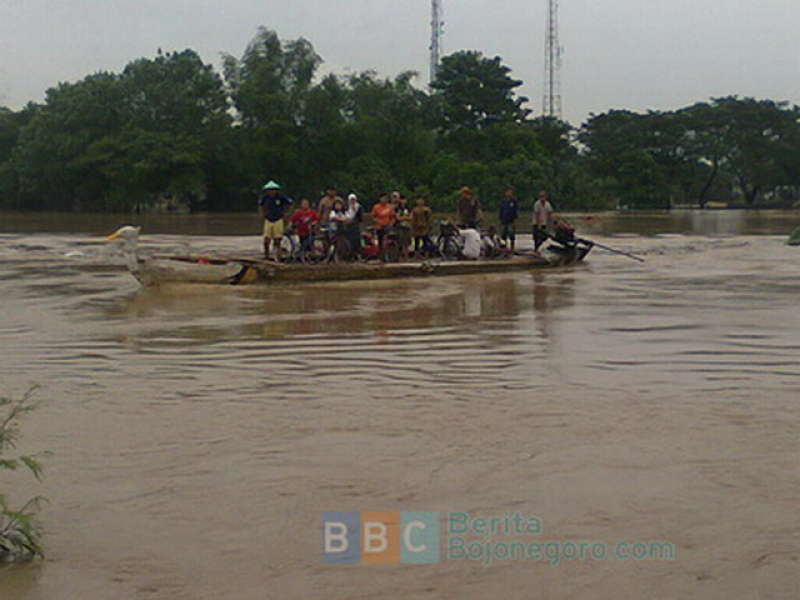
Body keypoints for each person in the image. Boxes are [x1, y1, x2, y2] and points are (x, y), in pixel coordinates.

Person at [258, 181, 293, 261]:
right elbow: (260, 206)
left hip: (278, 219)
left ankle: (278, 257)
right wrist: (262, 214)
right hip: (268, 219)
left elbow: (290, 203)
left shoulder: (281, 197)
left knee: (277, 240)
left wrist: (286, 214)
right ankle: (266, 256)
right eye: (269, 190)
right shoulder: (265, 197)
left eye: (273, 190)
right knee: (266, 240)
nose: (271, 192)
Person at [343, 193, 364, 258]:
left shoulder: (359, 207)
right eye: (351, 200)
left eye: (353, 200)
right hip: (347, 226)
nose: (352, 201)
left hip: (355, 226)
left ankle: (357, 254)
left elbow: (360, 218)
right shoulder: (346, 207)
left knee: (356, 240)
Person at [394, 194, 412, 260]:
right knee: (400, 241)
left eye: (404, 200)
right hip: (399, 226)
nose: (403, 201)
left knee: (407, 241)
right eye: (402, 200)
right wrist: (404, 217)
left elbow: (411, 217)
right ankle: (399, 256)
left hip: (407, 226)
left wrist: (404, 218)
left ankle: (406, 256)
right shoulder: (397, 208)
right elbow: (398, 218)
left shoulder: (408, 208)